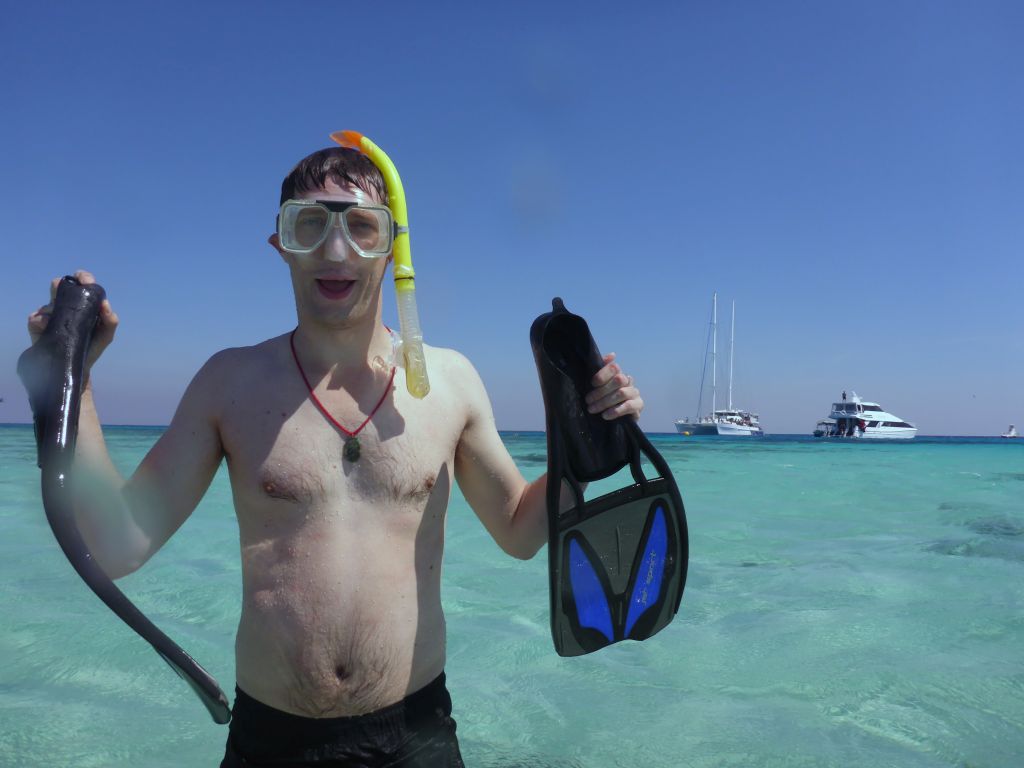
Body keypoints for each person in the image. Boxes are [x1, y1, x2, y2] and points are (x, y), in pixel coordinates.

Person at [25, 144, 644, 767]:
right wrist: (75, 375)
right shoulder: (230, 384)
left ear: (393, 246)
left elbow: (519, 530)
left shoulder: (451, 383)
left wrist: (584, 440)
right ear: (281, 244)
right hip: (271, 740)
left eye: (361, 226)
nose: (336, 250)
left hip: (418, 734)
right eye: (310, 224)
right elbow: (118, 543)